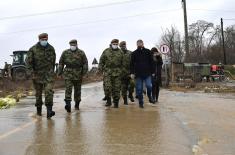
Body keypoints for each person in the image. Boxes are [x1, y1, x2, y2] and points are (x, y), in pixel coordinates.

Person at [26, 33, 56, 118]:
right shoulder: (33, 49)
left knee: (49, 91)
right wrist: (32, 73)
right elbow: (28, 63)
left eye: (46, 39)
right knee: (38, 94)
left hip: (48, 75)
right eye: (43, 40)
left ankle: (49, 112)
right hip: (37, 75)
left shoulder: (51, 48)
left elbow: (53, 61)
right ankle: (39, 111)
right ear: (39, 39)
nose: (44, 41)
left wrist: (52, 72)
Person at [58, 39, 88, 113]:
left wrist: (84, 73)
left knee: (77, 90)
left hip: (78, 74)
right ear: (69, 45)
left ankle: (77, 105)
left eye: (74, 45)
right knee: (68, 89)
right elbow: (61, 63)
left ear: (76, 45)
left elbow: (85, 63)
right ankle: (68, 105)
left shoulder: (81, 53)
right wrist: (59, 72)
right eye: (71, 45)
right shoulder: (65, 52)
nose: (73, 46)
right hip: (68, 73)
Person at [98, 39, 124, 108]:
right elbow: (101, 61)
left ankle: (116, 102)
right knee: (107, 87)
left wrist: (122, 71)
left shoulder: (120, 52)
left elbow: (123, 63)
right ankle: (108, 100)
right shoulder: (106, 51)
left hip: (117, 72)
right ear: (111, 44)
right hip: (108, 72)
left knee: (117, 88)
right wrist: (100, 69)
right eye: (114, 44)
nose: (115, 45)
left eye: (116, 44)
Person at [130, 39, 155, 108]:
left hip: (147, 73)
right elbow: (131, 64)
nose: (139, 44)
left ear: (143, 43)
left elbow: (152, 62)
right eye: (138, 43)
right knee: (139, 89)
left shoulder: (148, 51)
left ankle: (150, 97)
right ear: (136, 44)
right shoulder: (134, 53)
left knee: (149, 86)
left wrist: (153, 72)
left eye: (140, 43)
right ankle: (141, 102)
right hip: (138, 74)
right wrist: (132, 73)